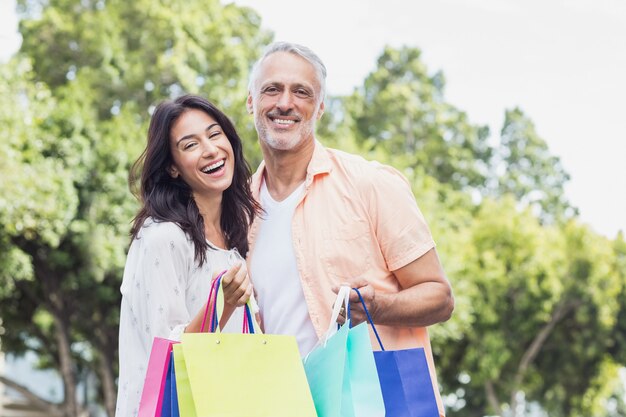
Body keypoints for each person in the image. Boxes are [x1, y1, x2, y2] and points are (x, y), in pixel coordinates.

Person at [245, 42, 454, 416]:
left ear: (320, 108)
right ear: (251, 102)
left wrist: (379, 306)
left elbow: (439, 296)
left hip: (371, 402)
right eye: (272, 89)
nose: (285, 103)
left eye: (302, 92)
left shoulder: (370, 184)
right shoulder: (240, 209)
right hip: (281, 404)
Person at [115, 95, 259, 417]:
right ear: (172, 167)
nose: (210, 150)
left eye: (214, 134)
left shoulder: (233, 235)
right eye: (190, 145)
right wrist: (221, 305)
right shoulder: (163, 237)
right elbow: (167, 358)